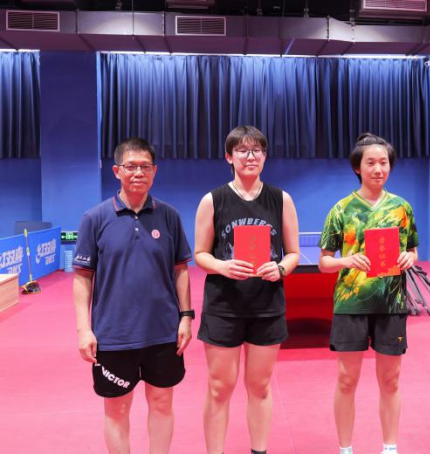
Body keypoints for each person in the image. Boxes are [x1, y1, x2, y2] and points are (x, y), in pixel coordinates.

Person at [73, 137, 193, 454]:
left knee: (162, 402)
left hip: (163, 333)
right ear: (117, 171)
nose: (138, 172)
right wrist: (84, 330)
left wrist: (186, 317)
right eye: (131, 166)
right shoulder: (95, 218)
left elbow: (181, 269)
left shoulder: (169, 216)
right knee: (117, 409)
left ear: (154, 171)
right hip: (113, 336)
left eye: (145, 167)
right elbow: (83, 277)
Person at [194, 125, 300, 454]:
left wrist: (280, 268)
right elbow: (200, 254)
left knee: (260, 386)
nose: (250, 156)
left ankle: (259, 451)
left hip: (267, 306)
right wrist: (222, 266)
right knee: (219, 388)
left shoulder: (281, 199)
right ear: (229, 157)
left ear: (265, 156)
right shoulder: (213, 200)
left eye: (257, 150)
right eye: (242, 150)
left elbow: (293, 253)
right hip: (224, 306)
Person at [318, 133, 419, 454]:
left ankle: (389, 447)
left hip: (392, 303)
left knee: (391, 380)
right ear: (357, 168)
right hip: (351, 305)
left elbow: (413, 250)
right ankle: (345, 448)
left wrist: (410, 258)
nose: (378, 169)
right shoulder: (341, 209)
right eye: (371, 163)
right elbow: (324, 262)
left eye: (384, 163)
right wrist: (346, 261)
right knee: (347, 380)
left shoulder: (402, 208)